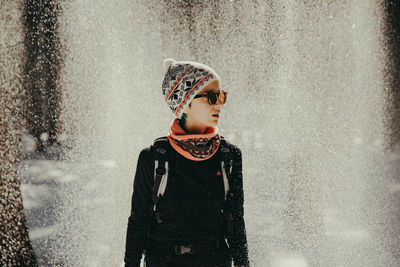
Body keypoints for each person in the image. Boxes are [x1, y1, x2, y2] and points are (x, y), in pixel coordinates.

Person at [124, 58, 250, 267]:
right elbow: (138, 223)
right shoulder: (154, 158)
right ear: (185, 103)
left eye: (221, 96)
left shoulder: (228, 157)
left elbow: (236, 221)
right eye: (211, 97)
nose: (219, 103)